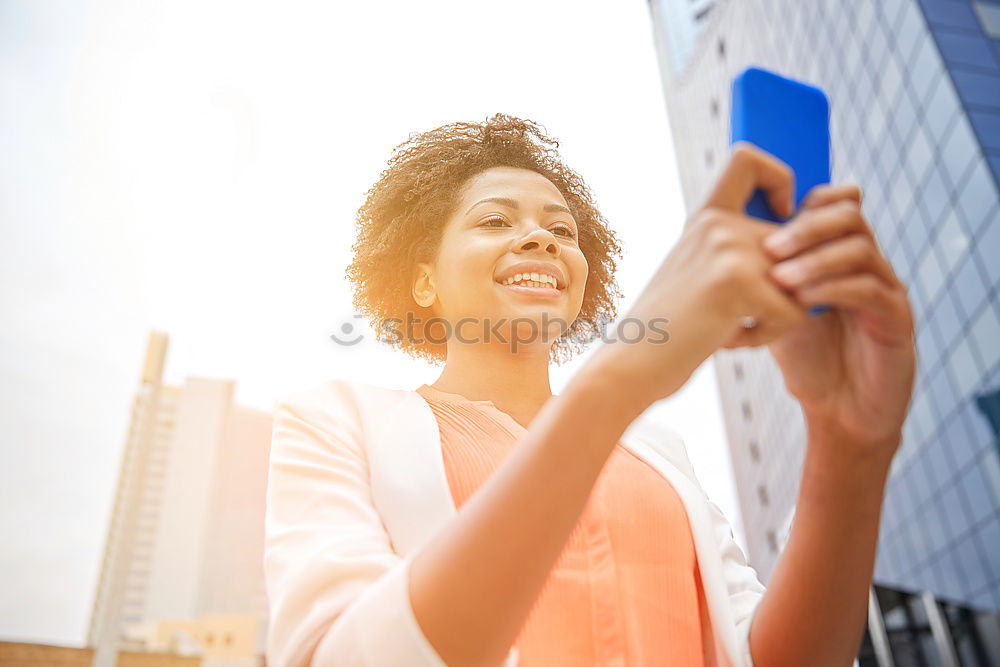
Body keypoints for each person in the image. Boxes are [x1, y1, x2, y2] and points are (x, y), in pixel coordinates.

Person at [263, 113, 917, 667]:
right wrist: (621, 377)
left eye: (564, 231)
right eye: (493, 221)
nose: (541, 237)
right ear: (424, 280)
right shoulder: (334, 420)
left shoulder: (661, 457)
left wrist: (850, 443)